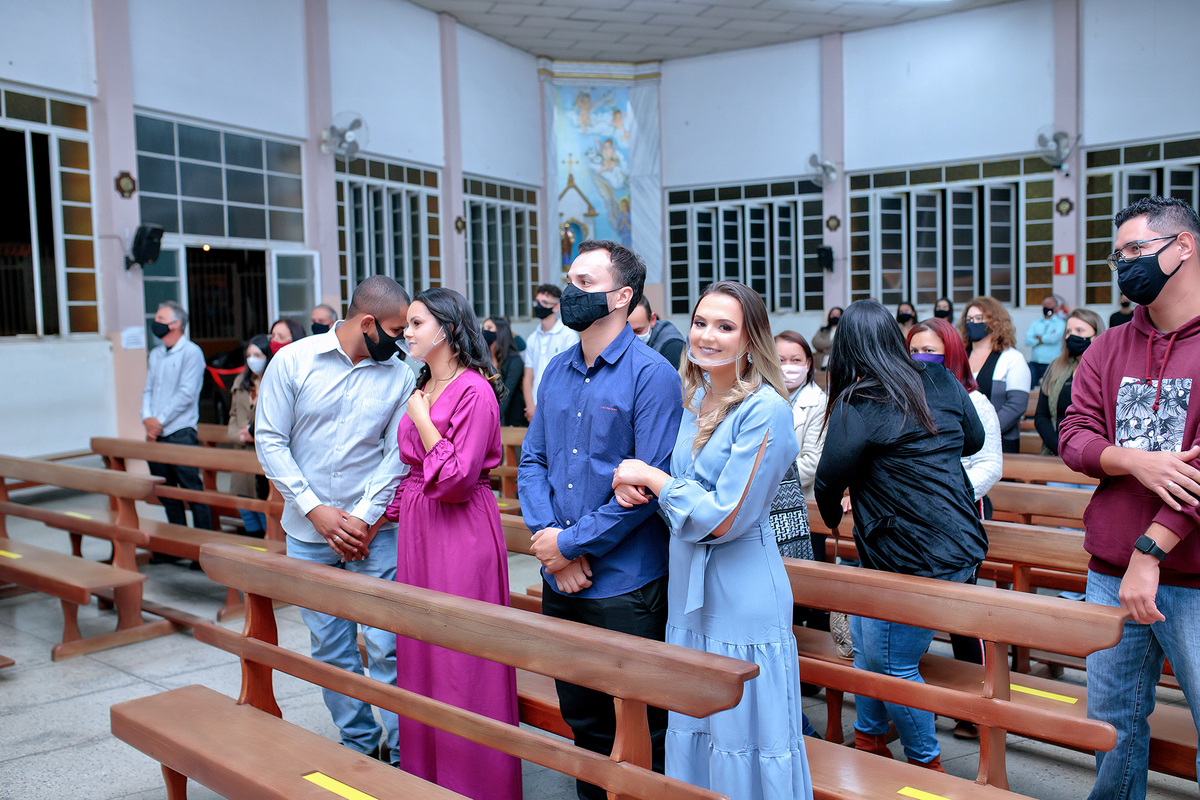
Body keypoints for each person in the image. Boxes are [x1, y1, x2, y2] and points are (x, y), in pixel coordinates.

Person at [611, 281, 813, 799]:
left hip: (741, 587)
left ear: (751, 339)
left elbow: (725, 519)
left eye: (725, 326)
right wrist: (639, 484)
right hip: (688, 588)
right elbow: (682, 485)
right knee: (696, 725)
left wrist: (655, 482)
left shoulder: (765, 409)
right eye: (700, 322)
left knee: (743, 731)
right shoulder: (695, 398)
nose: (706, 335)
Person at [518, 240, 683, 800]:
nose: (571, 292)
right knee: (583, 720)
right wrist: (551, 543)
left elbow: (648, 488)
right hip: (560, 576)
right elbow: (533, 461)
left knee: (641, 727)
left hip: (625, 583)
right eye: (570, 280)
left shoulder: (652, 375)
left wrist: (570, 545)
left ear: (621, 296)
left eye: (585, 283)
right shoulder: (556, 369)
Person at [1058, 196, 1200, 800]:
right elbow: (1073, 435)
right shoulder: (1109, 345)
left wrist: (1151, 551)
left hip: (1190, 575)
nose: (1125, 265)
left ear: (1183, 246)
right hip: (1110, 570)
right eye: (1118, 255)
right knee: (1112, 725)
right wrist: (1133, 460)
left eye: (1137, 249)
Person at [815, 299, 987, 772]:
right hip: (957, 542)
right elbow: (971, 440)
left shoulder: (859, 401)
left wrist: (831, 519)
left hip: (909, 555)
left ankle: (927, 767)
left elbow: (828, 481)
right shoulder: (939, 378)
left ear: (845, 349)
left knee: (892, 664)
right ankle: (870, 738)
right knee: (868, 648)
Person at [255, 275, 415, 767]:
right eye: (395, 330)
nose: (402, 340)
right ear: (366, 323)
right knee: (330, 646)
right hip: (308, 532)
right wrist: (314, 509)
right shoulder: (293, 361)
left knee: (388, 645)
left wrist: (362, 517)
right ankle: (360, 741)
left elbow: (397, 455)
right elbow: (270, 439)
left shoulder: (401, 374)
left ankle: (403, 753)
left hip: (375, 533)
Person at [384, 288, 521, 800]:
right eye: (407, 324)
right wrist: (382, 516)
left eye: (416, 323)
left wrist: (422, 420)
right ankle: (427, 780)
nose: (407, 332)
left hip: (460, 527)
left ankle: (475, 785)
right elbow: (412, 470)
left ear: (447, 328)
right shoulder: (423, 384)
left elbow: (459, 478)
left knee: (462, 660)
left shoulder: (474, 390)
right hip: (421, 528)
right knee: (421, 650)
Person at [906, 316, 1003, 739]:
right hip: (913, 519)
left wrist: (947, 493)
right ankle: (916, 699)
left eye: (930, 352)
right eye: (913, 351)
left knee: (961, 616)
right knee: (916, 611)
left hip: (959, 515)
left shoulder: (975, 401)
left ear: (951, 355)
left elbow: (990, 464)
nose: (920, 358)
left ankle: (975, 708)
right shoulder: (904, 398)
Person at [142, 300, 212, 536]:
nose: (155, 322)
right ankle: (177, 541)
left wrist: (158, 421)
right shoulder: (156, 353)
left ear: (176, 324)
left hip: (180, 431)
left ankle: (204, 541)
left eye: (161, 319)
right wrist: (147, 418)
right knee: (166, 492)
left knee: (192, 491)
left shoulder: (191, 352)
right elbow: (148, 389)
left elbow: (186, 393)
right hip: (156, 433)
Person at [960, 296, 1031, 453]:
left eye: (979, 318)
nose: (972, 323)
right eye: (969, 319)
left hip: (1000, 442)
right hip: (962, 443)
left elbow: (1016, 405)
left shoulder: (1012, 358)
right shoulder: (959, 357)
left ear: (996, 322)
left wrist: (985, 432)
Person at [1034, 309, 1105, 456]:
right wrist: (1060, 448)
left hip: (1095, 454)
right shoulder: (1056, 367)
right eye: (1068, 332)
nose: (1072, 336)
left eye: (1080, 331)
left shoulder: (1108, 370)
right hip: (1056, 451)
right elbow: (1041, 415)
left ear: (1096, 336)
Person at [227, 334, 272, 537]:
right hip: (242, 449)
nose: (252, 360)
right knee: (244, 504)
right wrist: (238, 435)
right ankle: (254, 541)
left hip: (261, 451)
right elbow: (233, 414)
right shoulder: (241, 382)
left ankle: (267, 542)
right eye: (249, 355)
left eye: (258, 355)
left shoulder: (273, 381)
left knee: (263, 505)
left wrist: (254, 433)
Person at [522, 283, 578, 422]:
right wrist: (531, 407)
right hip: (534, 409)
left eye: (545, 303)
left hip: (558, 408)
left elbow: (568, 377)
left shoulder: (568, 335)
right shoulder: (532, 338)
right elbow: (528, 377)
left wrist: (545, 407)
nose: (539, 306)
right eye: (537, 302)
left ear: (556, 307)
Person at [483, 316, 526, 426]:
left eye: (489, 328)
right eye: (483, 328)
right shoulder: (483, 359)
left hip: (511, 418)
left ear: (501, 331)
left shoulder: (514, 360)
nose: (485, 332)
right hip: (488, 415)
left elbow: (507, 392)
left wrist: (492, 420)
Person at [628, 296, 685, 368]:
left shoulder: (672, 347)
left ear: (652, 320)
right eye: (626, 332)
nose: (631, 337)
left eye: (638, 331)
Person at [1025, 295, 1066, 386]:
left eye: (1049, 304)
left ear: (1055, 308)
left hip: (1052, 363)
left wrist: (1039, 338)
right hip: (1035, 361)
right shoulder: (1035, 323)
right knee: (1028, 386)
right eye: (1045, 305)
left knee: (1051, 388)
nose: (1046, 307)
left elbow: (1054, 338)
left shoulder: (1060, 323)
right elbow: (1027, 340)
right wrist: (1040, 340)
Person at [811, 306, 842, 388]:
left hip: (838, 368)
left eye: (837, 314)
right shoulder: (823, 330)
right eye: (832, 314)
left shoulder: (844, 331)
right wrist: (833, 344)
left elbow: (842, 345)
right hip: (822, 368)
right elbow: (815, 342)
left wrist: (825, 347)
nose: (834, 316)